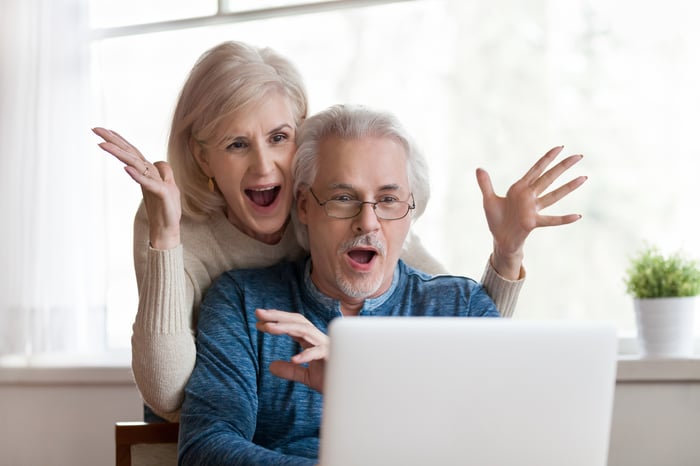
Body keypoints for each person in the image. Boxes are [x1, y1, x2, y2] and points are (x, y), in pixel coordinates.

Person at [93, 41, 582, 422]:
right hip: (203, 400)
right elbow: (168, 393)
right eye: (237, 143)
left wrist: (507, 253)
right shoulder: (182, 227)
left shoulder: (350, 208)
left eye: (279, 138)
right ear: (203, 157)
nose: (265, 166)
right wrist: (164, 234)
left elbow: (455, 320)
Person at [178, 104, 583, 465]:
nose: (367, 222)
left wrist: (362, 386)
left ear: (410, 211)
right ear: (304, 206)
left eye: (388, 200)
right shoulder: (244, 303)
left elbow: (503, 445)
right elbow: (203, 448)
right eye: (342, 198)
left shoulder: (460, 307)